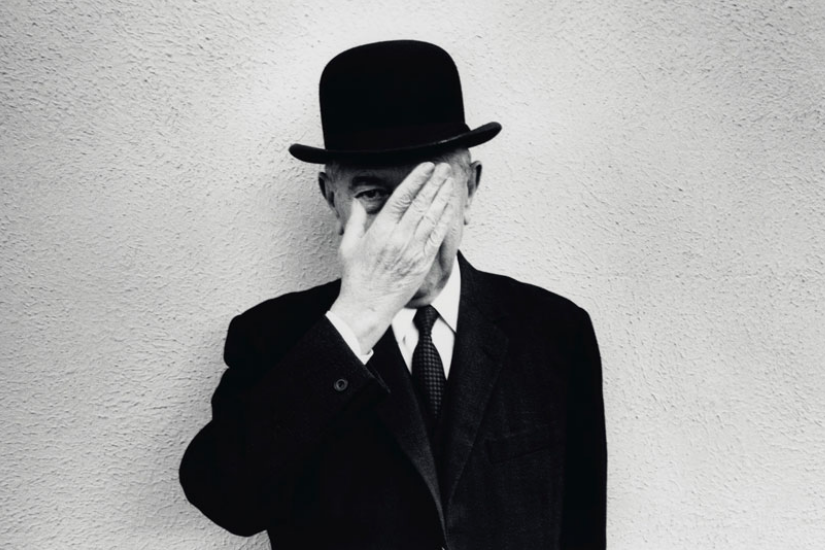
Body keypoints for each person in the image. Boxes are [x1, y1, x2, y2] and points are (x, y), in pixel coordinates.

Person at [179, 39, 607, 550]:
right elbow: (227, 499)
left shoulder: (555, 332)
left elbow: (581, 524)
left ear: (470, 189)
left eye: (429, 191)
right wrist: (355, 322)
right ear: (331, 198)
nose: (403, 226)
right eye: (373, 194)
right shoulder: (269, 338)